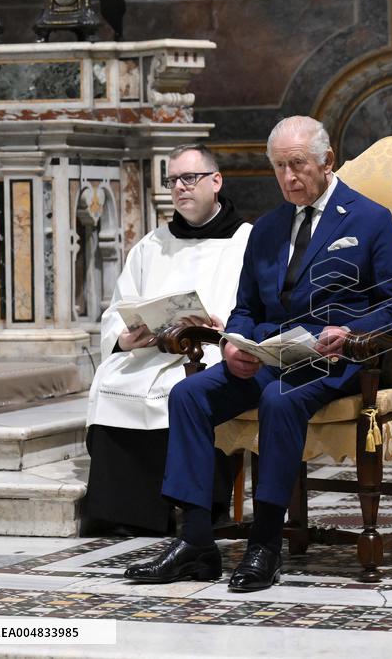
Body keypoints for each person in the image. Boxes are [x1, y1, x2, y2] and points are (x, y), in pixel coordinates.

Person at [124, 115, 392, 592]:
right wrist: (235, 344)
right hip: (271, 355)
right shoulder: (266, 228)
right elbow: (245, 308)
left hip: (335, 359)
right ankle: (196, 541)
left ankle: (264, 544)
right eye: (279, 167)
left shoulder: (369, 219)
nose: (288, 178)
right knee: (189, 395)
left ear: (327, 161)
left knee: (280, 400)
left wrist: (350, 330)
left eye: (298, 165)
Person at [83, 144, 251, 536]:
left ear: (216, 181)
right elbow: (117, 308)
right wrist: (125, 339)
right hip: (150, 352)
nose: (180, 188)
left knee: (188, 389)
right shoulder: (152, 245)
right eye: (173, 180)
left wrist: (222, 326)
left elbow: (256, 308)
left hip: (210, 352)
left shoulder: (248, 242)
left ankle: (201, 508)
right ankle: (127, 514)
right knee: (112, 382)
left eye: (189, 178)